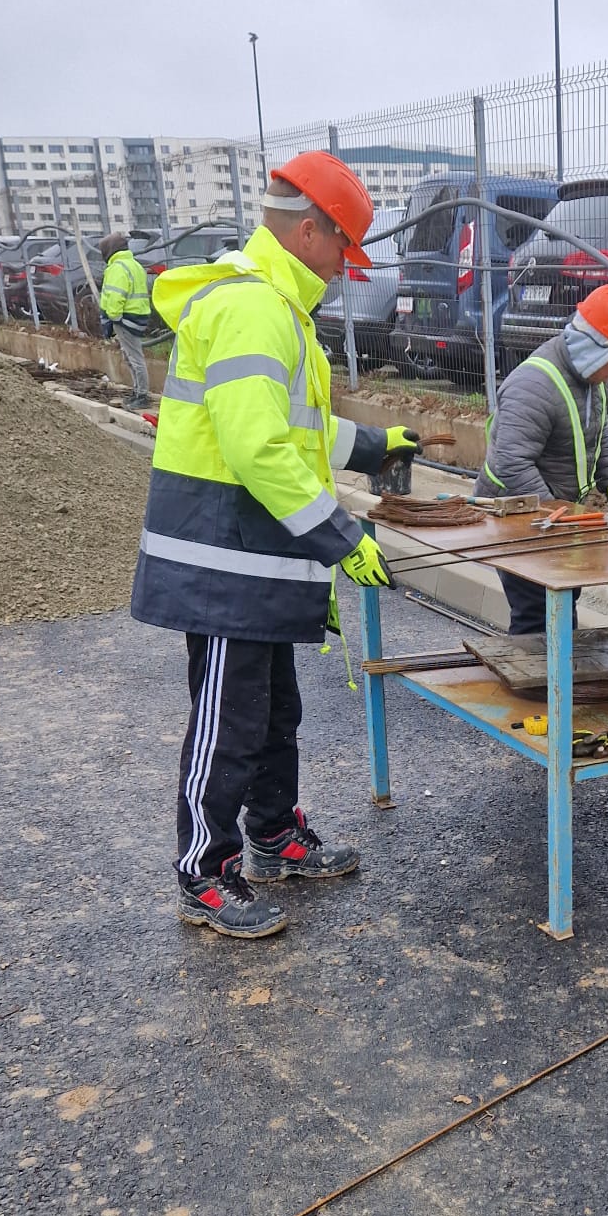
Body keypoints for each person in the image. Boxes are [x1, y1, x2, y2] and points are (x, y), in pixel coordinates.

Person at [131, 150, 418, 939]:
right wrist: (341, 538)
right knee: (228, 722)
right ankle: (204, 873)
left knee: (271, 713)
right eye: (344, 248)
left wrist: (372, 445)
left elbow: (295, 429)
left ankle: (271, 835)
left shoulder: (276, 306)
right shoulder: (253, 307)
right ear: (309, 230)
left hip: (252, 556)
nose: (345, 267)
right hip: (223, 560)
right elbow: (256, 448)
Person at [476, 284, 608, 634]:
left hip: (553, 519)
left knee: (562, 601)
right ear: (595, 349)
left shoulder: (592, 380)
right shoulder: (533, 385)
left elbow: (598, 431)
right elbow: (511, 463)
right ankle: (538, 670)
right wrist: (556, 515)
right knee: (536, 614)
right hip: (517, 520)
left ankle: (560, 667)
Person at [99, 232, 154, 410]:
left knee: (134, 358)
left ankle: (142, 395)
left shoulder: (117, 268)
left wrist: (112, 318)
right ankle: (138, 391)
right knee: (131, 356)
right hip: (137, 316)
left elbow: (115, 296)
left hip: (125, 319)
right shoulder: (134, 265)